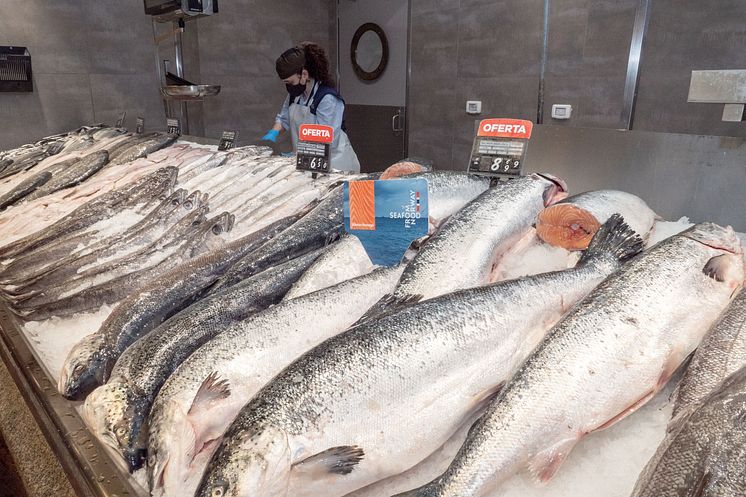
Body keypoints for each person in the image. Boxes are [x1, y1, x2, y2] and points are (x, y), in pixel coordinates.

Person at [261, 42, 361, 173]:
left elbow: (326, 140)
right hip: (307, 162)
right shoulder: (294, 95)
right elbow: (283, 120)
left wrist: (295, 158)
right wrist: (272, 134)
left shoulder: (327, 99)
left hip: (335, 165)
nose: (288, 86)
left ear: (304, 75)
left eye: (289, 82)